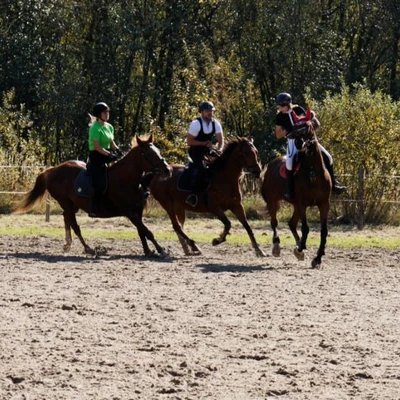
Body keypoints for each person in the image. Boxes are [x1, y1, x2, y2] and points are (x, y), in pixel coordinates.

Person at [275, 92, 346, 201]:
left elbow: (308, 122)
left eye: (280, 105)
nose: (279, 108)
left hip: (307, 139)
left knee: (328, 157)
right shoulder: (279, 117)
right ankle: (289, 191)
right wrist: (288, 129)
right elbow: (278, 135)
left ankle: (334, 185)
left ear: (286, 104)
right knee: (289, 163)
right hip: (293, 141)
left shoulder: (298, 109)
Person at [185, 101, 224, 207]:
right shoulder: (196, 124)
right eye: (207, 111)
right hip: (195, 153)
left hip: (209, 151)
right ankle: (193, 195)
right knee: (201, 169)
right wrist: (203, 143)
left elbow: (221, 140)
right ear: (201, 112)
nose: (210, 113)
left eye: (211, 111)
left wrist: (220, 149)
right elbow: (189, 142)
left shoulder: (216, 123)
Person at [87, 102, 121, 217]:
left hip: (107, 154)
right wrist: (109, 155)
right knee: (100, 182)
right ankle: (93, 207)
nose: (107, 114)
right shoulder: (94, 128)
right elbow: (97, 147)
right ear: (98, 114)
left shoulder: (109, 126)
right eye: (104, 112)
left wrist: (118, 151)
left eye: (108, 112)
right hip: (97, 156)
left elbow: (111, 142)